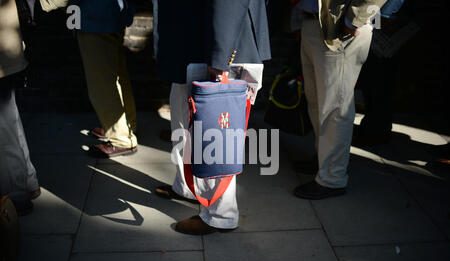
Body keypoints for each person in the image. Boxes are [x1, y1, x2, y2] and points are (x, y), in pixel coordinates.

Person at [152, 0, 271, 235]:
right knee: (182, 120)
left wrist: (220, 56)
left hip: (218, 45)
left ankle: (221, 215)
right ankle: (186, 186)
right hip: (194, 42)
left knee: (215, 133)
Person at [292, 0, 387, 200]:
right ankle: (323, 161)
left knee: (335, 105)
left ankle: (332, 178)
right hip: (314, 21)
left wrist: (354, 20)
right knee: (317, 100)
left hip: (339, 27)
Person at [73, 0, 138, 158]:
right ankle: (125, 126)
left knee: (101, 82)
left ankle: (121, 138)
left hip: (94, 14)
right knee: (116, 74)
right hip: (112, 11)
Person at [0, 0, 41, 201]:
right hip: (6, 42)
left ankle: (15, 194)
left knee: (4, 125)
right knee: (9, 119)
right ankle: (27, 182)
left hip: (3, 44)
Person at [352, 0, 407, 147]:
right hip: (382, 19)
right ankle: (374, 129)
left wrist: (382, 20)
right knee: (376, 82)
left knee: (378, 82)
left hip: (385, 22)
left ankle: (375, 131)